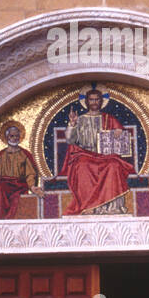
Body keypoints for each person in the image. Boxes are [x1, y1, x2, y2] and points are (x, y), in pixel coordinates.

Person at [62, 86, 133, 215]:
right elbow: (70, 140)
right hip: (85, 154)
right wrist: (72, 124)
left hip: (105, 155)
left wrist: (119, 131)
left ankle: (112, 208)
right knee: (82, 166)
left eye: (97, 99)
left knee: (114, 165)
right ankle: (88, 206)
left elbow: (122, 138)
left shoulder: (109, 118)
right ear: (87, 102)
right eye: (91, 100)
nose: (94, 102)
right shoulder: (80, 119)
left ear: (101, 101)